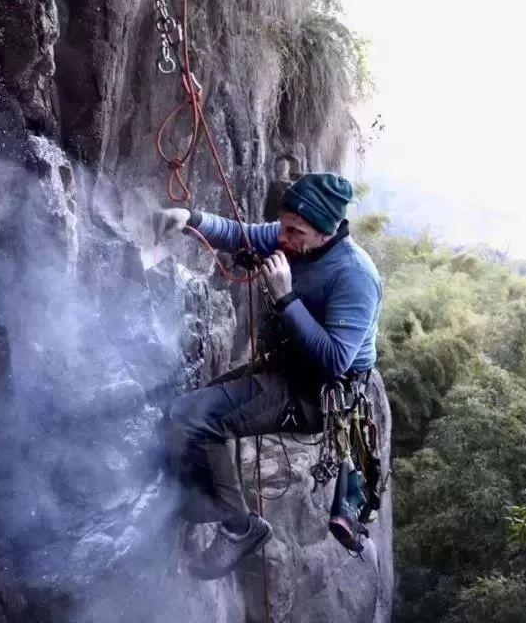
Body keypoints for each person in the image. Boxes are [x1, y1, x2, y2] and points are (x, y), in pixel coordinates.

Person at [154, 172, 383, 580]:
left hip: (317, 390)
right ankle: (203, 501)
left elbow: (335, 361)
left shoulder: (355, 277)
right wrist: (188, 218)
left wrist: (286, 297)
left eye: (295, 231)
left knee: (195, 415)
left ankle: (239, 528)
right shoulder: (294, 238)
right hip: (288, 365)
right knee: (198, 409)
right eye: (284, 226)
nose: (285, 238)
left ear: (324, 230)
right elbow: (241, 234)